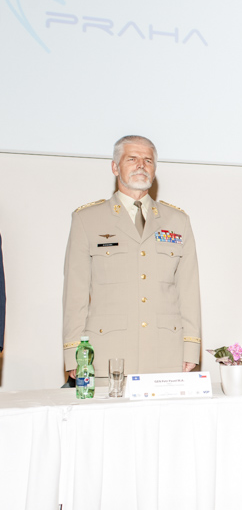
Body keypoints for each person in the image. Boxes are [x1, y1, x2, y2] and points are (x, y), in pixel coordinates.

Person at [62, 135, 201, 379]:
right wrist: (73, 352)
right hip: (107, 353)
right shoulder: (87, 220)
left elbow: (188, 290)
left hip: (166, 353)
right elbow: (76, 293)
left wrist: (191, 347)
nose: (141, 165)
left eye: (148, 160)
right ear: (115, 167)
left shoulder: (178, 221)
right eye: (132, 159)